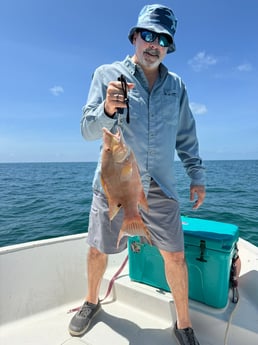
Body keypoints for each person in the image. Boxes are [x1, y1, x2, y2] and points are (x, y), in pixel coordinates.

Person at [69, 4, 206, 345]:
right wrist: (107, 109)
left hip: (159, 186)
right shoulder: (107, 74)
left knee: (175, 254)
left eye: (162, 39)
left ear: (168, 46)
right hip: (114, 186)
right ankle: (91, 301)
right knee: (98, 249)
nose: (153, 44)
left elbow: (186, 134)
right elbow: (87, 130)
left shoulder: (177, 86)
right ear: (134, 37)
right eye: (147, 35)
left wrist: (196, 174)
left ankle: (184, 323)